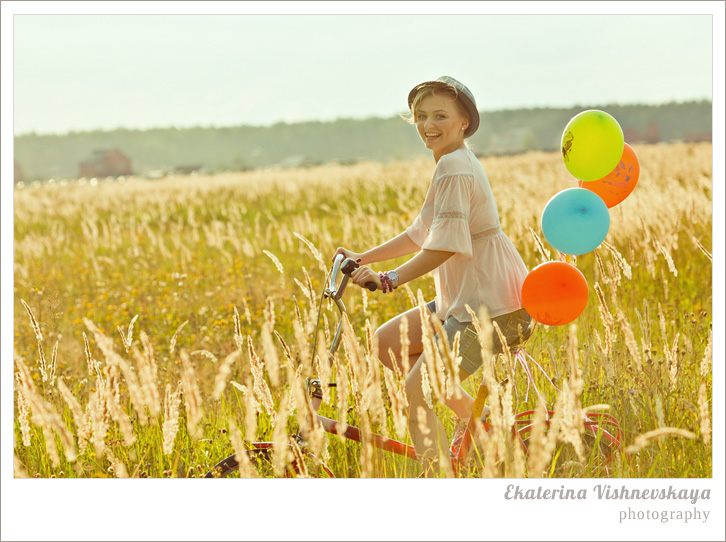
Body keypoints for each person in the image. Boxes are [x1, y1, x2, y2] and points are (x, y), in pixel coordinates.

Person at [334, 76, 532, 476]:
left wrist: (388, 279)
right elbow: (420, 234)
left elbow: (446, 245)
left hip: (492, 306)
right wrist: (362, 257)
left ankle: (438, 478)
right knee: (386, 344)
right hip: (461, 301)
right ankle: (486, 423)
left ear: (464, 122)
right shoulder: (450, 162)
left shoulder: (454, 167)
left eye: (440, 115)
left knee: (416, 392)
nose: (428, 124)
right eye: (421, 116)